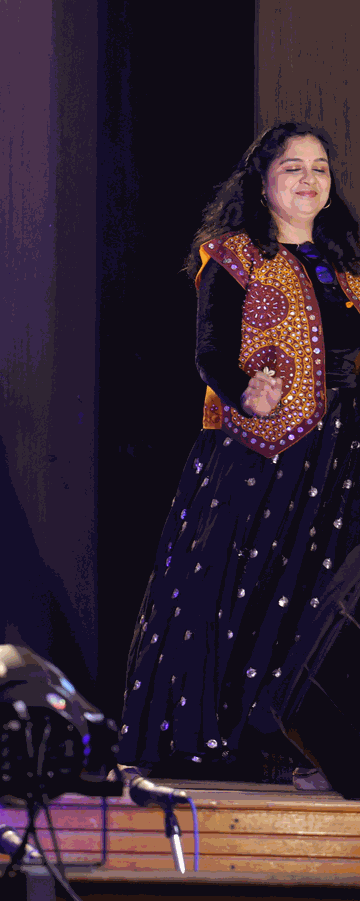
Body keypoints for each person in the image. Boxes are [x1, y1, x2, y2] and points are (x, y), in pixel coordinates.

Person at [120, 122, 360, 785]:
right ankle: (223, 742)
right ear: (262, 182)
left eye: (320, 168)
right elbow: (210, 352)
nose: (310, 180)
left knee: (321, 602)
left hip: (339, 458)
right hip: (259, 457)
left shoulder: (346, 266)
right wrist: (244, 393)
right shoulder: (234, 257)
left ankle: (313, 745)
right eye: (293, 168)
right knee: (236, 594)